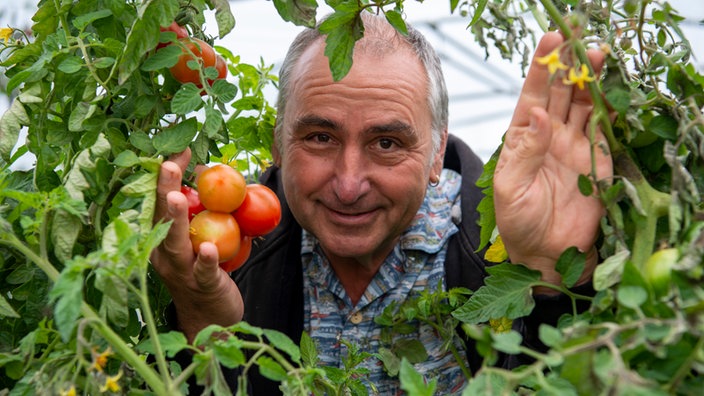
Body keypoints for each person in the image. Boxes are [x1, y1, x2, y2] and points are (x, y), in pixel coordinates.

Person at [151, 11, 611, 395]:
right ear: (279, 144)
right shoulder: (221, 259)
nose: (349, 184)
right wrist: (201, 318)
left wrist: (555, 284)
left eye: (387, 143)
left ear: (435, 153)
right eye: (320, 137)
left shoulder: (498, 257)